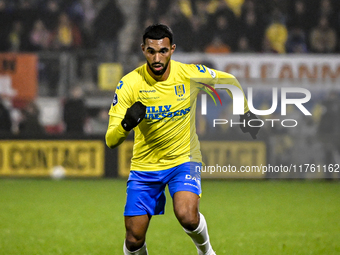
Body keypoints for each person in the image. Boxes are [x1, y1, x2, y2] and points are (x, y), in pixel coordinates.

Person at [106, 24, 260, 255]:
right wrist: (127, 124)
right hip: (145, 166)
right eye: (151, 51)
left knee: (187, 216)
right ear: (143, 50)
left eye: (163, 51)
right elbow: (111, 140)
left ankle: (206, 252)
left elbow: (229, 81)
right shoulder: (129, 84)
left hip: (183, 159)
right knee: (134, 239)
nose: (157, 58)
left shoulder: (189, 74)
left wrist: (245, 112)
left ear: (172, 49)